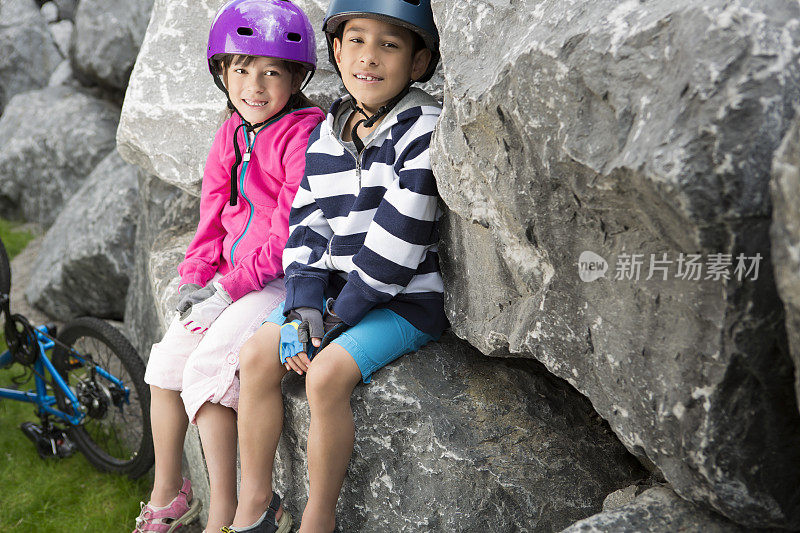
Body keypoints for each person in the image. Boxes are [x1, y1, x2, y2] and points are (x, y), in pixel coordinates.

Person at [226, 1, 446, 531]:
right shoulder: (331, 129)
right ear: (335, 49)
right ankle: (253, 507)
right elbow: (308, 221)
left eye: (389, 45)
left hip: (404, 299)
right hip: (335, 293)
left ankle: (316, 521)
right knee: (257, 354)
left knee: (324, 377)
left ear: (418, 63)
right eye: (355, 41)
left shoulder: (420, 130)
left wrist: (336, 323)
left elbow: (400, 239)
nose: (367, 58)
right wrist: (303, 309)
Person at [133, 1, 325, 532]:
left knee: (208, 369)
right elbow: (214, 210)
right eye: (241, 69)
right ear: (222, 73)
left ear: (296, 77)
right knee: (166, 362)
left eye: (271, 72)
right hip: (232, 280)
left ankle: (227, 510)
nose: (254, 85)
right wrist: (197, 274)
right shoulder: (231, 131)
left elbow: (288, 233)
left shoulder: (303, 135)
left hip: (282, 280)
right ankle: (168, 495)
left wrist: (225, 290)